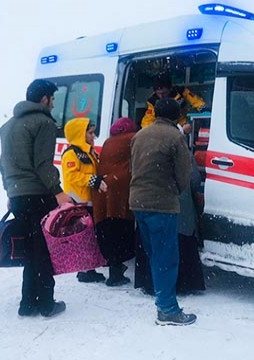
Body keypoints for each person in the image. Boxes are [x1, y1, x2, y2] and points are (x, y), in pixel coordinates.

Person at [0, 79, 72, 318]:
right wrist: (58, 191)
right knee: (43, 250)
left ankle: (28, 303)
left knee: (30, 250)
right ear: (44, 99)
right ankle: (46, 304)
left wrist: (10, 191)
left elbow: (3, 165)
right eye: (52, 98)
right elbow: (43, 164)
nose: (53, 104)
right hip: (38, 194)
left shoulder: (8, 126)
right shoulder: (43, 123)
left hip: (18, 195)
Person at [130, 98, 196, 326]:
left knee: (154, 254)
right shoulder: (176, 137)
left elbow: (135, 167)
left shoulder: (140, 135)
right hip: (161, 205)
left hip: (138, 202)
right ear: (177, 116)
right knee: (166, 258)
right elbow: (184, 174)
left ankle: (162, 299)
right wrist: (174, 191)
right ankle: (167, 309)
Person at [134, 151, 206, 295]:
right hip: (177, 206)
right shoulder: (179, 147)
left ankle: (150, 282)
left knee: (154, 245)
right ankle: (181, 284)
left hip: (148, 203)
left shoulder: (144, 145)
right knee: (179, 242)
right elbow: (193, 180)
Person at [61, 117, 108, 283]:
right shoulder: (71, 154)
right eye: (90, 133)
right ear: (80, 134)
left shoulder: (89, 152)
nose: (93, 136)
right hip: (78, 202)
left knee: (90, 236)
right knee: (83, 237)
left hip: (89, 201)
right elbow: (71, 176)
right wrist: (92, 180)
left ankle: (89, 268)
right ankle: (85, 271)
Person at [93, 117, 137, 286]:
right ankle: (116, 273)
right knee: (121, 230)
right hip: (120, 190)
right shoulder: (132, 138)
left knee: (110, 231)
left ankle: (114, 268)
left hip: (104, 189)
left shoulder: (108, 142)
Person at [140, 71, 206, 134]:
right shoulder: (152, 101)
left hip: (183, 125)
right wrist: (147, 131)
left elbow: (196, 101)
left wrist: (203, 109)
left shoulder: (181, 91)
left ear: (170, 88)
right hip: (164, 128)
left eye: (164, 93)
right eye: (158, 93)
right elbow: (148, 119)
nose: (161, 96)